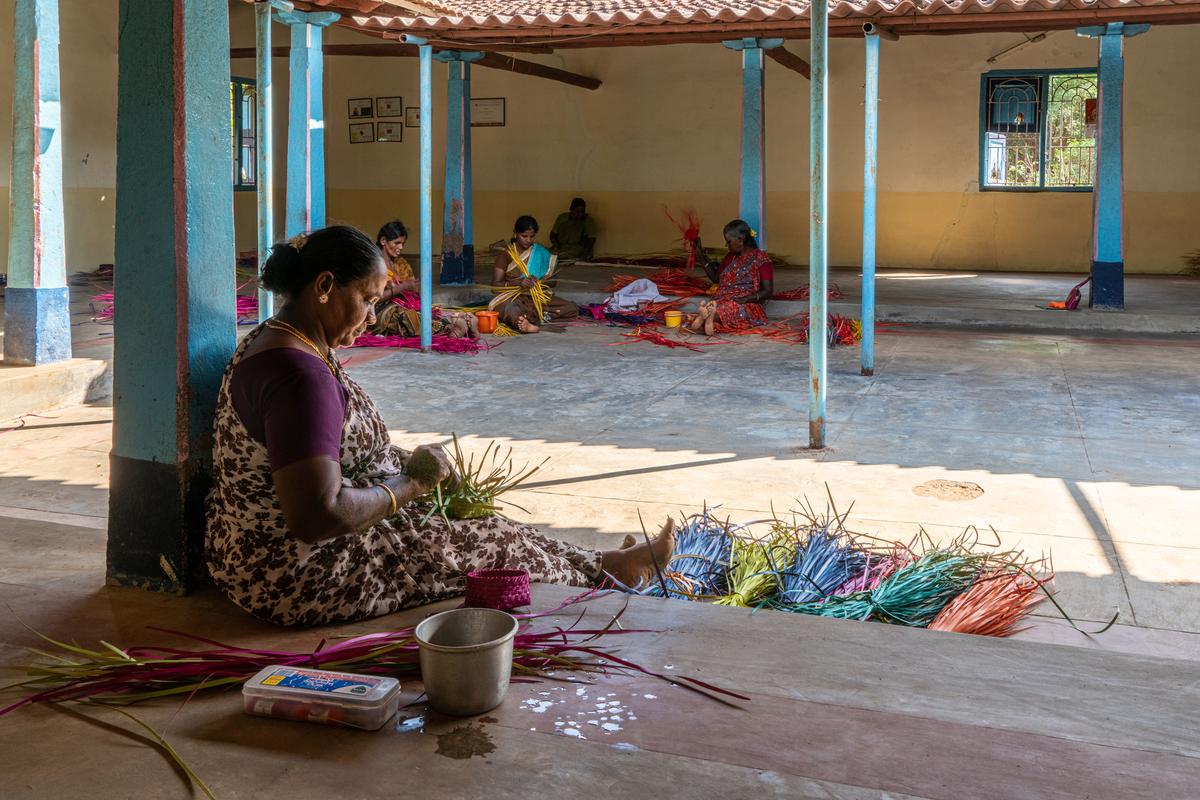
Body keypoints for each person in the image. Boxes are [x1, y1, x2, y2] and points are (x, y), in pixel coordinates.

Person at [205, 224, 674, 626]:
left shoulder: (281, 336)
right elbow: (317, 516)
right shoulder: (298, 377)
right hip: (301, 575)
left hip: (255, 557)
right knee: (494, 549)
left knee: (491, 526)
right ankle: (608, 573)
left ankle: (606, 563)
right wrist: (410, 483)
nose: (371, 317)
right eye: (367, 301)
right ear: (325, 285)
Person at [371, 220, 477, 339]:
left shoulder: (401, 264)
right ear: (383, 241)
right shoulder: (372, 265)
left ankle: (457, 323)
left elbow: (412, 290)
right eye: (397, 243)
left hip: (402, 306)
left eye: (403, 243)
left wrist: (416, 289)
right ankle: (450, 328)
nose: (400, 247)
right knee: (406, 317)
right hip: (378, 311)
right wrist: (401, 288)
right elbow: (370, 299)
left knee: (425, 310)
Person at [490, 215, 580, 334]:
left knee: (571, 309)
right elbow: (494, 287)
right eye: (524, 236)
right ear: (515, 234)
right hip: (514, 298)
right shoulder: (506, 255)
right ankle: (525, 321)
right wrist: (519, 283)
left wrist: (539, 280)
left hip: (537, 298)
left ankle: (528, 318)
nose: (528, 240)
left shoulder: (541, 253)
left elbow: (553, 282)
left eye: (532, 236)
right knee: (507, 308)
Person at [684, 219, 773, 335]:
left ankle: (704, 317)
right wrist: (701, 256)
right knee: (717, 305)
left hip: (746, 303)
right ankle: (707, 318)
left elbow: (768, 291)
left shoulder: (761, 258)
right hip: (723, 299)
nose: (726, 245)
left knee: (730, 308)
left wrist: (744, 299)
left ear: (740, 240)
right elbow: (717, 278)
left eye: (729, 242)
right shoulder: (731, 257)